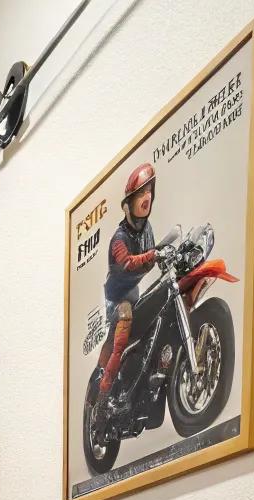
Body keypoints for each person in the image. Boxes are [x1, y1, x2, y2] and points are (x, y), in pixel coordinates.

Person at [96, 162, 159, 413]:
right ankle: (103, 394)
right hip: (117, 299)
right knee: (122, 329)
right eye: (140, 194)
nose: (147, 197)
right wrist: (153, 255)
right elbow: (127, 263)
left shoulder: (148, 230)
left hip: (134, 294)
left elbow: (153, 255)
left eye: (149, 191)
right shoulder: (119, 239)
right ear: (128, 204)